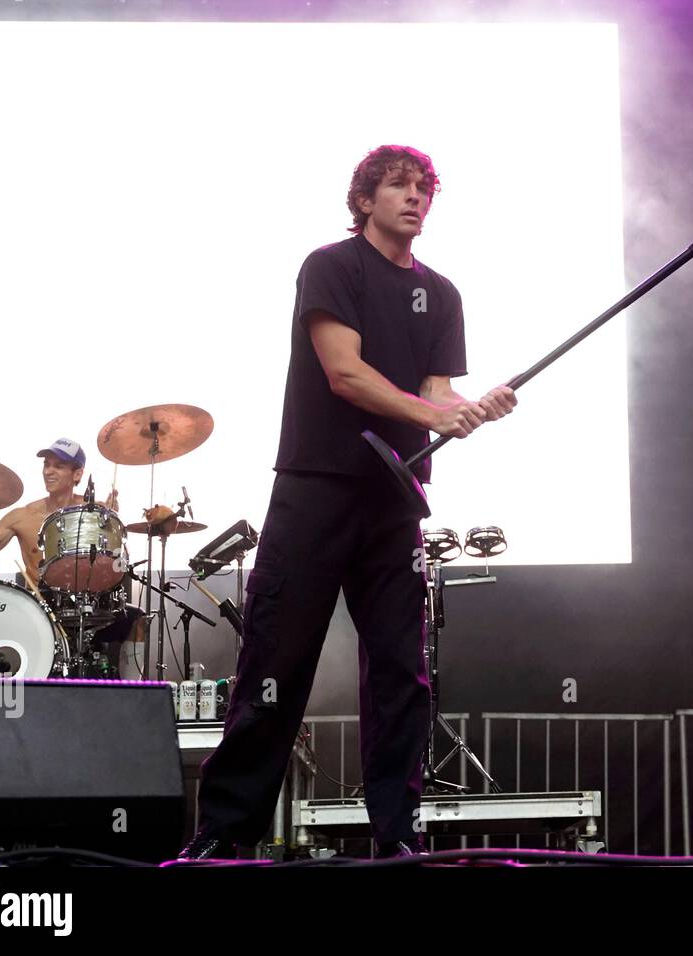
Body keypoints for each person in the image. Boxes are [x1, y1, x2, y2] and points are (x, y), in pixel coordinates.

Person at [182, 145, 516, 860]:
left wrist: (476, 407)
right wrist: (434, 415)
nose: (415, 198)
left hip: (394, 499)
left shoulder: (443, 293)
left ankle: (394, 836)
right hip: (316, 489)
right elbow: (345, 374)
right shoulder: (331, 267)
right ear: (365, 199)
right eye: (398, 186)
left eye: (425, 188)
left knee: (401, 670)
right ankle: (225, 836)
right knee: (276, 663)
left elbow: (434, 398)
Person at [0, 439, 119, 590]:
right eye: (46, 465)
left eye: (58, 466)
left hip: (89, 603)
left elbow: (117, 562)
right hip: (41, 611)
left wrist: (112, 520)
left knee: (134, 620)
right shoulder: (22, 517)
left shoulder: (95, 513)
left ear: (77, 474)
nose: (48, 472)